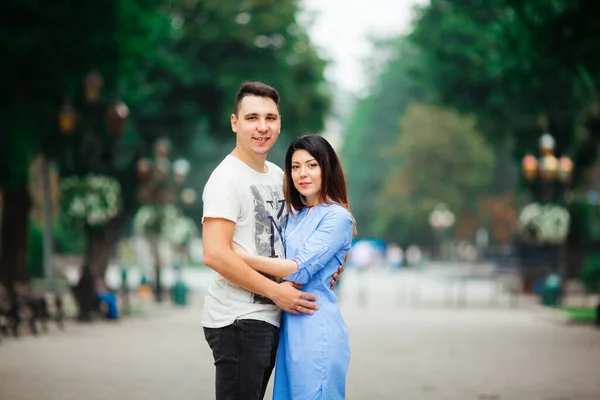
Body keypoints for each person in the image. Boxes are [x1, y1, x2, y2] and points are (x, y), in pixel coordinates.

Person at [201, 81, 342, 400]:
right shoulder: (226, 179)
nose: (262, 127)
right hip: (238, 319)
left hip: (272, 318)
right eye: (252, 118)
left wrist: (331, 266)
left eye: (270, 118)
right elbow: (215, 254)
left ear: (279, 123)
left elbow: (304, 239)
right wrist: (276, 292)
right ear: (235, 122)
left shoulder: (280, 176)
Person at [233, 134, 355, 400]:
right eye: (296, 167)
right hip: (288, 330)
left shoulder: (338, 217)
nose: (303, 174)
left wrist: (235, 257)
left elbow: (298, 269)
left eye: (312, 165)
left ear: (327, 168)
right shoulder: (293, 215)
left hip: (316, 325)